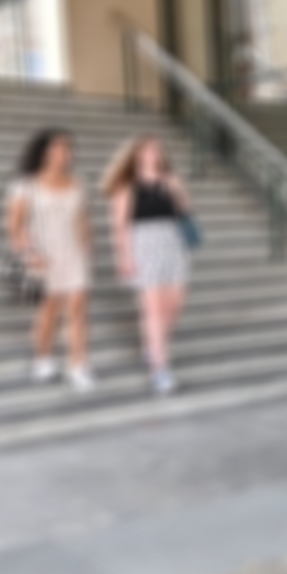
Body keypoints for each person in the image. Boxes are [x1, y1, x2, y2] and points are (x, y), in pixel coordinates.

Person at [6, 128, 96, 392]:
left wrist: (88, 245)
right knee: (49, 310)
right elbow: (15, 225)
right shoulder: (25, 185)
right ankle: (43, 359)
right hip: (43, 254)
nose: (64, 152)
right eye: (57, 147)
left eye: (68, 148)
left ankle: (78, 366)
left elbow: (82, 219)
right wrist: (27, 253)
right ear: (44, 152)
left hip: (73, 253)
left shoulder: (77, 183)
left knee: (78, 309)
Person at [102, 136, 191, 396]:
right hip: (143, 244)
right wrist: (124, 258)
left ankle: (152, 347)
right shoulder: (127, 185)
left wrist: (177, 189)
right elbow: (119, 226)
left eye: (157, 149)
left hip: (172, 242)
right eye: (148, 150)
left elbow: (185, 211)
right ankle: (160, 370)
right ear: (137, 154)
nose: (154, 153)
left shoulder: (170, 179)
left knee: (176, 303)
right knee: (152, 310)